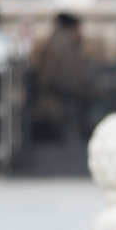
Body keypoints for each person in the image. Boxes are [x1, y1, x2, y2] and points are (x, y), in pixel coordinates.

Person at [32, 13, 91, 143]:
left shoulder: (58, 42)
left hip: (59, 92)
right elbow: (55, 77)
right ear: (73, 27)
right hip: (57, 96)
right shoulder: (63, 44)